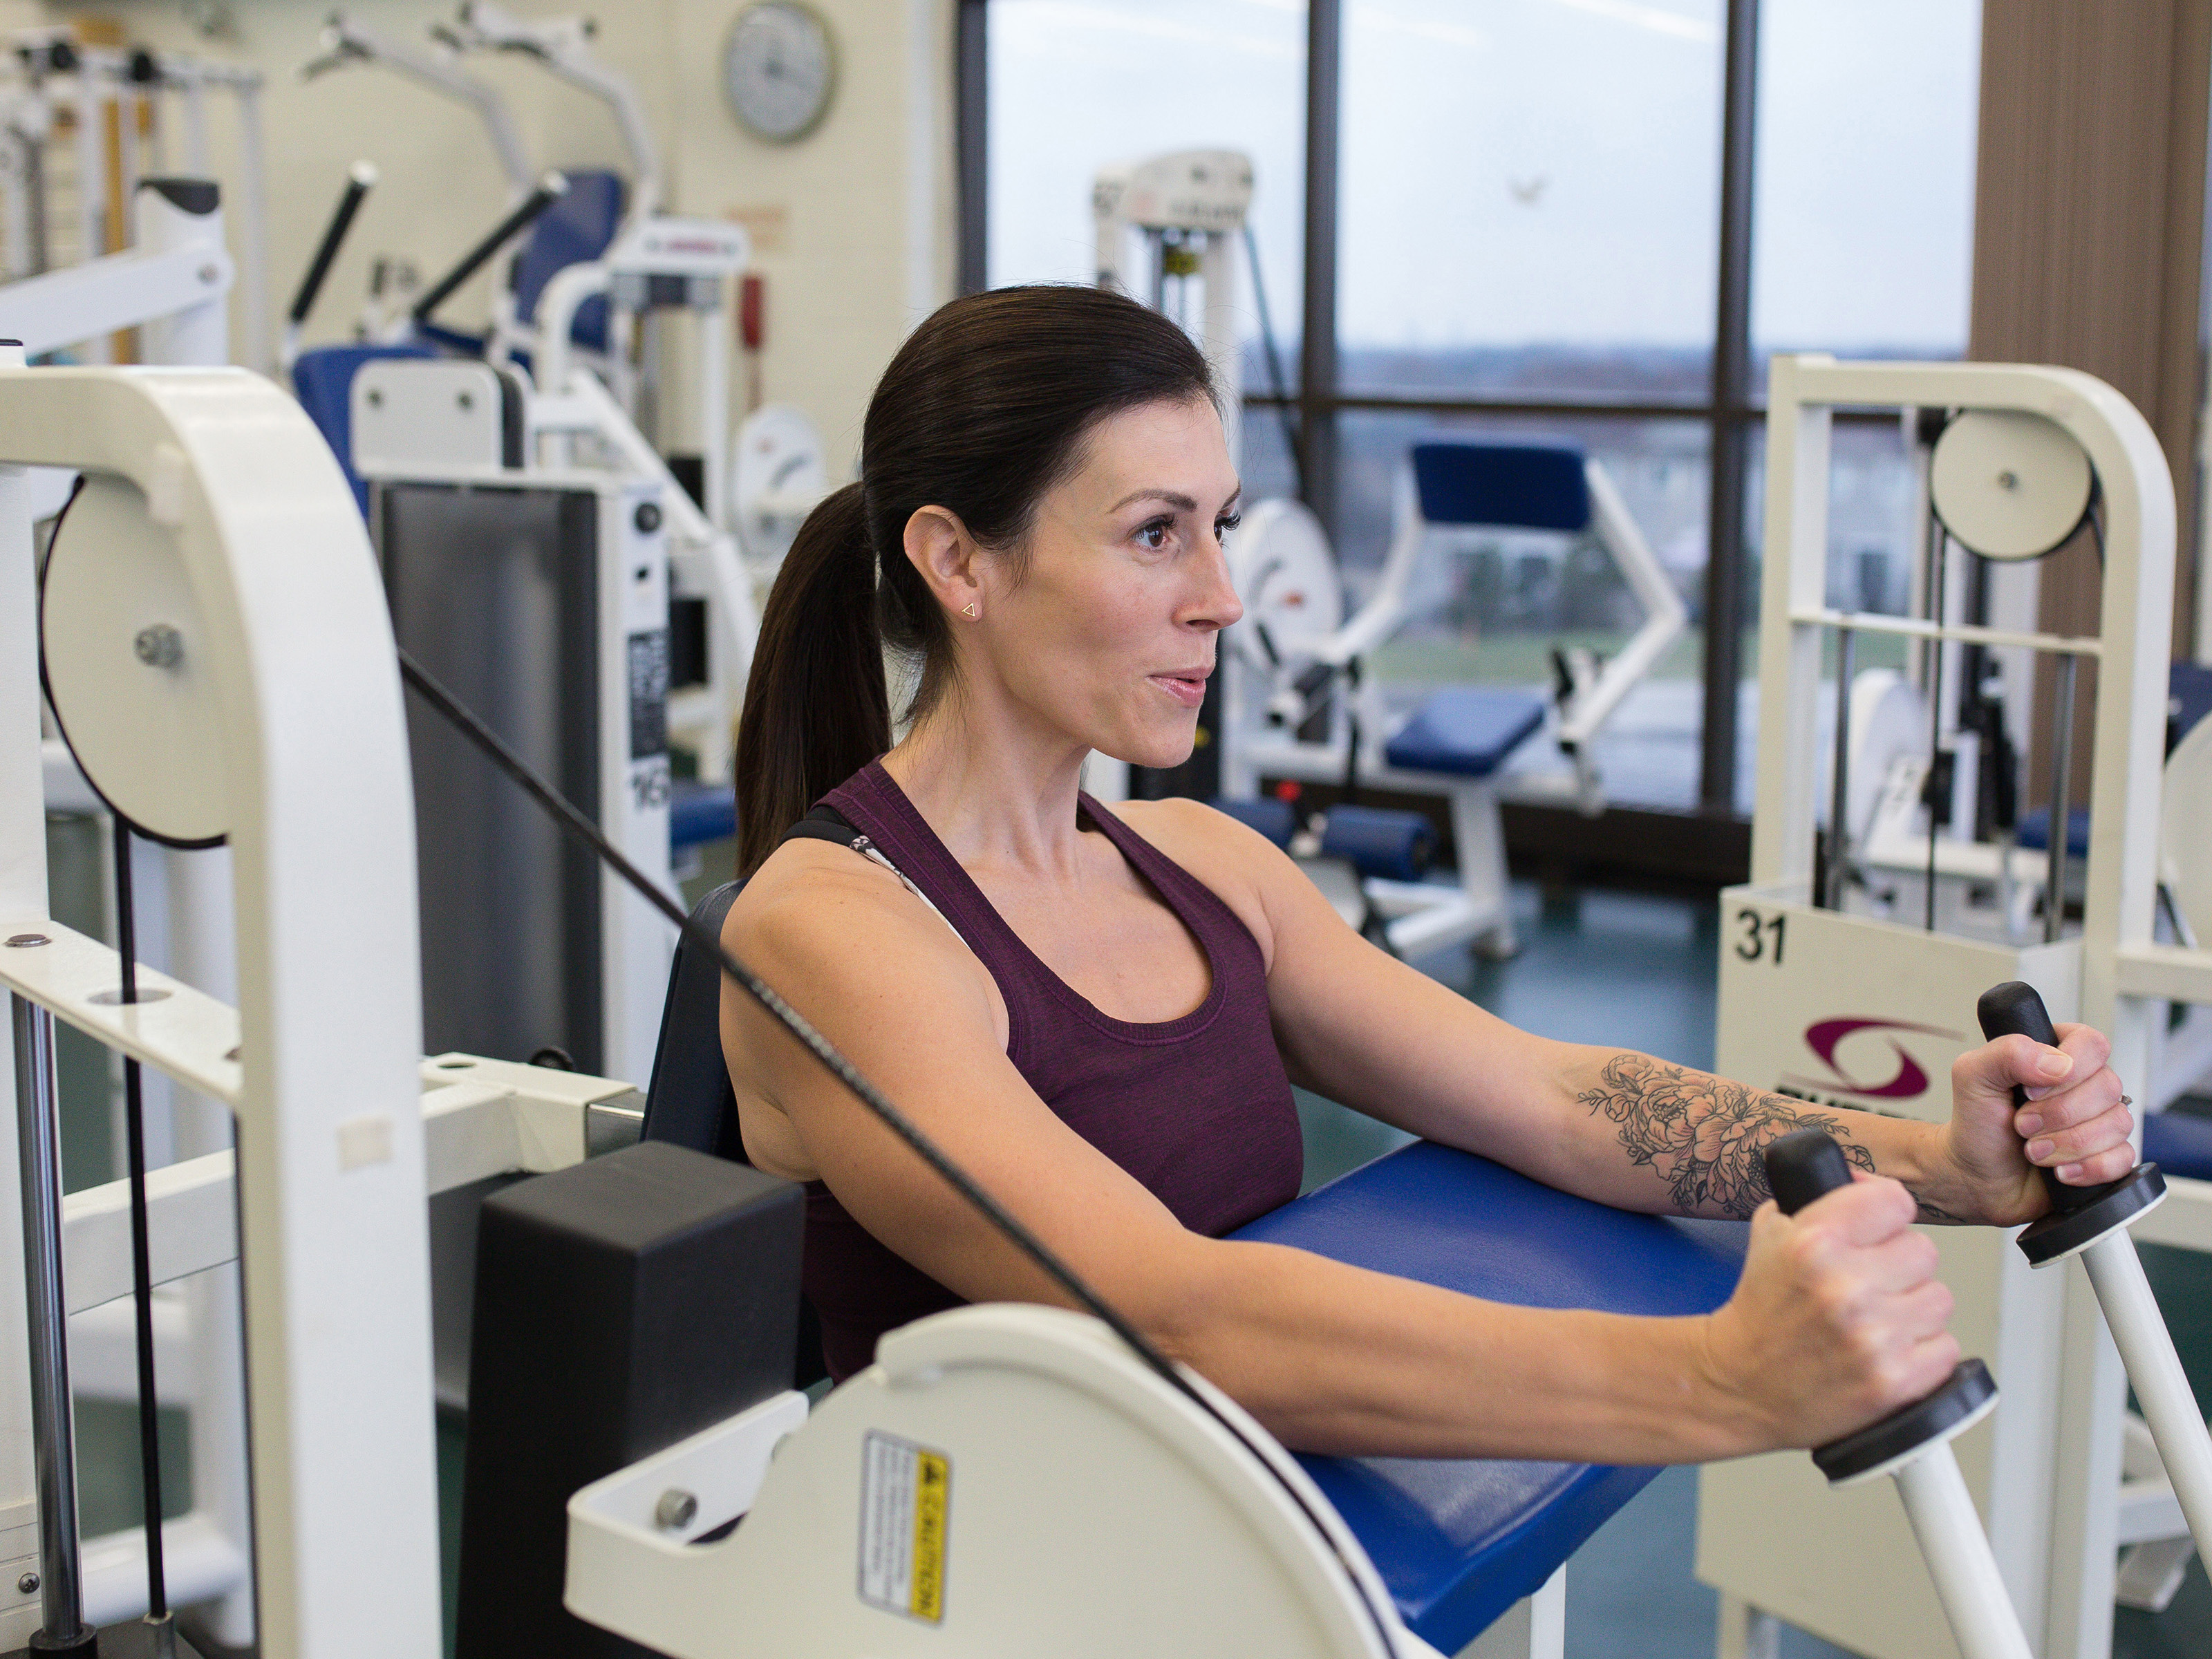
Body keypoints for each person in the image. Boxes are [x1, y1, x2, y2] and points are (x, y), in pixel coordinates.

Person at [720, 284, 2134, 1463]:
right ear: (957, 562)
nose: (1219, 592)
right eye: (1156, 532)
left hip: (1243, 1537)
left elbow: (1553, 1098)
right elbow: (1167, 1310)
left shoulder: (1202, 864)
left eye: (1219, 524)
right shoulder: (833, 933)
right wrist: (1717, 1380)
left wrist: (1941, 1166)